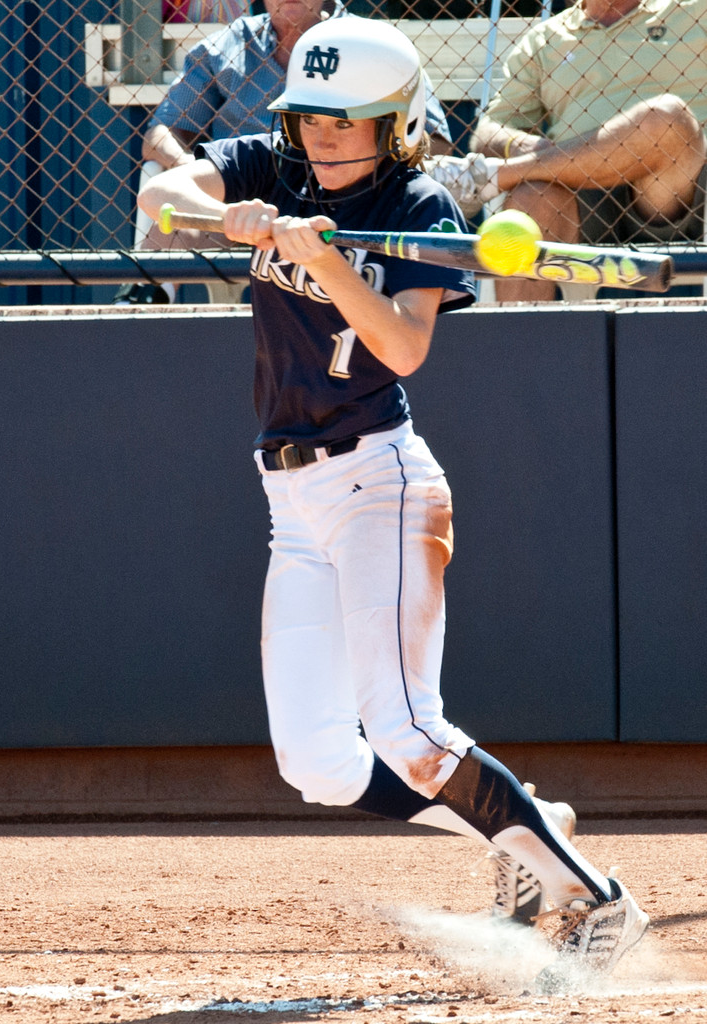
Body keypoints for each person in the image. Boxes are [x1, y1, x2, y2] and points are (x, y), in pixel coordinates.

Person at [138, 14, 649, 991]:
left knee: (408, 731)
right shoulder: (272, 168)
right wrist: (224, 212)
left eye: (347, 124)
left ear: (395, 124)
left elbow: (404, 348)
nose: (323, 141)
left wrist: (327, 261)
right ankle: (515, 823)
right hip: (292, 497)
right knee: (321, 764)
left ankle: (596, 901)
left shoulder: (418, 207)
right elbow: (164, 191)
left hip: (381, 485)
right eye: (310, 123)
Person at [117, 0, 453, 304]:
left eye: (340, 122)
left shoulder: (371, 44)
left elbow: (431, 136)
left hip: (347, 206)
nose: (321, 135)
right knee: (175, 223)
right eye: (307, 118)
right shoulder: (227, 46)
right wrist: (213, 189)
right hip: (247, 194)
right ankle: (135, 314)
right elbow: (162, 132)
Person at [425, 0, 707, 301]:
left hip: (677, 188)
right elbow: (489, 131)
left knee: (665, 118)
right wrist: (542, 151)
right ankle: (517, 343)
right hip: (578, 190)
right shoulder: (546, 38)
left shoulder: (692, 10)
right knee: (529, 200)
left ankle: (496, 176)